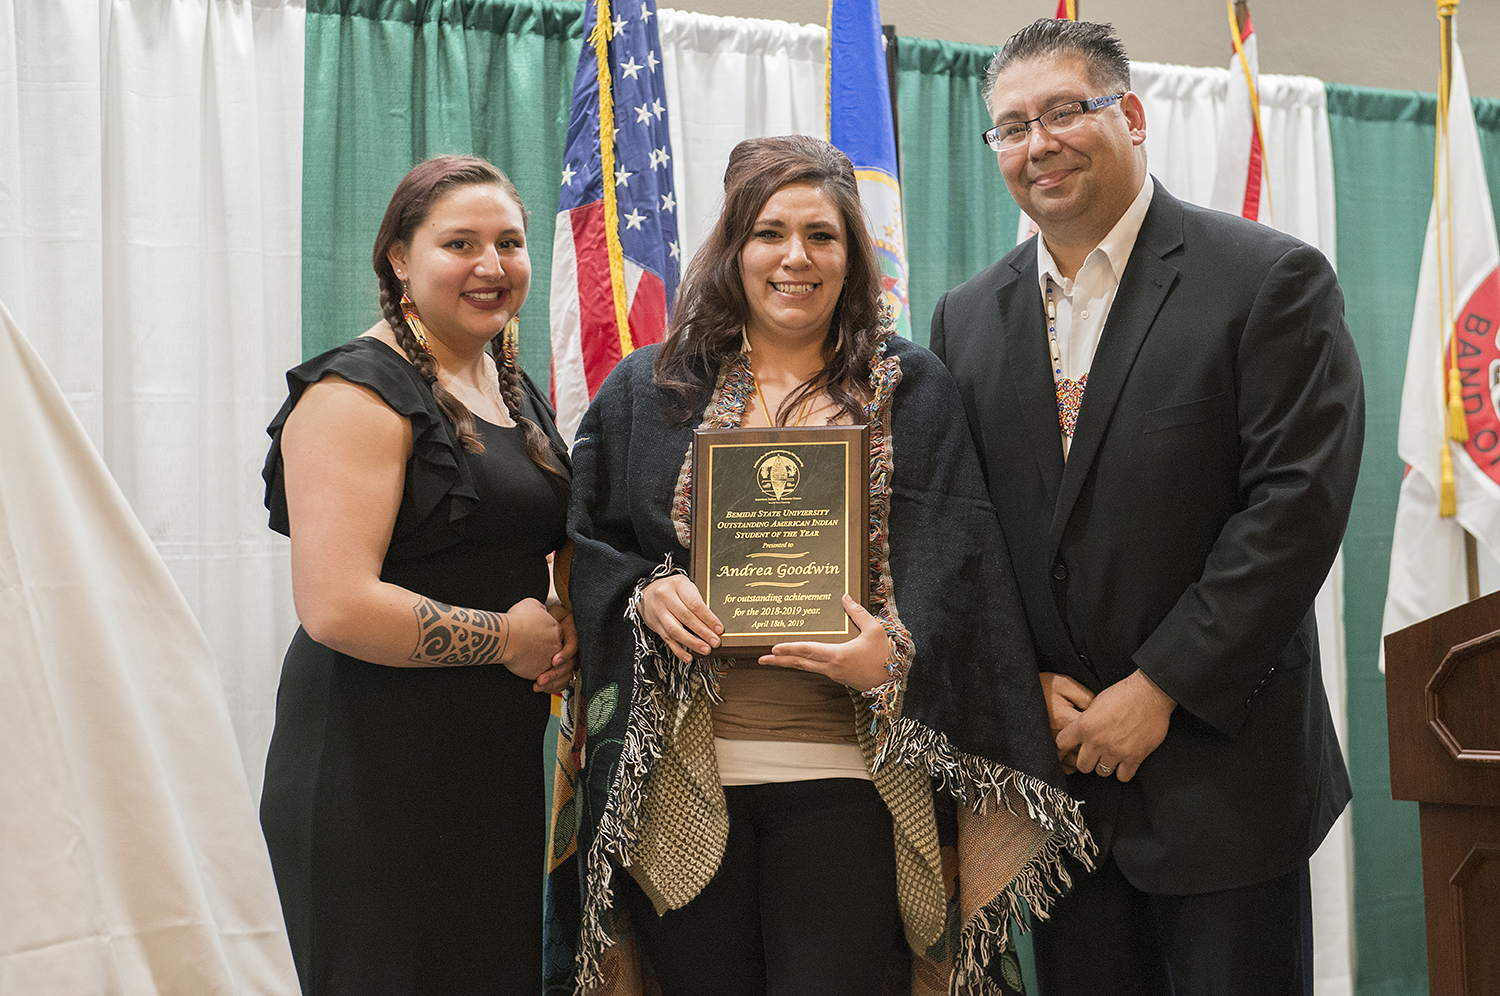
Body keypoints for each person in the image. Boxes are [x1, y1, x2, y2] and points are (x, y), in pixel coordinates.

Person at [565, 135, 1093, 996]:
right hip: (682, 785)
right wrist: (645, 592)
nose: (795, 258)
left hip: (852, 783)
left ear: (853, 253)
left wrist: (900, 659)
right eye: (770, 232)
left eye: (822, 235)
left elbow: (965, 565)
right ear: (734, 249)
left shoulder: (912, 388)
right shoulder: (650, 387)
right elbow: (591, 546)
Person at [929, 18, 1365, 996]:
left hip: (1222, 780)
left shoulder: (1265, 280)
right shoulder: (964, 318)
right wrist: (1019, 689)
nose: (1037, 144)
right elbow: (963, 531)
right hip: (1060, 787)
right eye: (1010, 127)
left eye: (1062, 112)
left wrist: (1158, 687)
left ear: (1129, 114)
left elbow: (1294, 509)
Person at [259, 155, 575, 995]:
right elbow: (336, 607)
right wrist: (511, 636)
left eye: (509, 242)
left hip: (487, 772)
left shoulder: (507, 384)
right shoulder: (355, 393)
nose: (491, 266)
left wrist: (564, 624)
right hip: (372, 780)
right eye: (459, 243)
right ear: (399, 257)